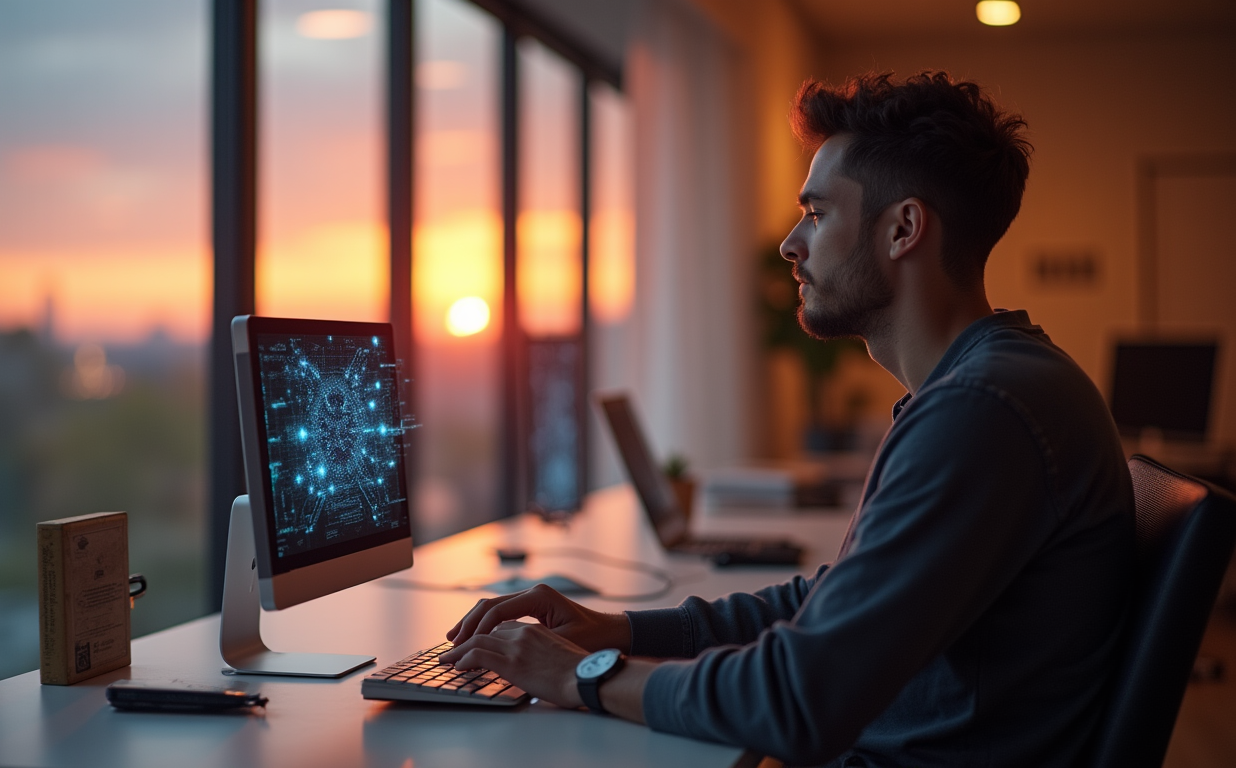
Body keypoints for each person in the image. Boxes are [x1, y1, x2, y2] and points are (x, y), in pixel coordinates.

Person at [439, 71, 1135, 768]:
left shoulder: (984, 413)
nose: (790, 245)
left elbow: (797, 700)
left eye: (818, 213)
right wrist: (616, 629)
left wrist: (578, 676)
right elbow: (831, 604)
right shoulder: (987, 387)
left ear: (903, 229)